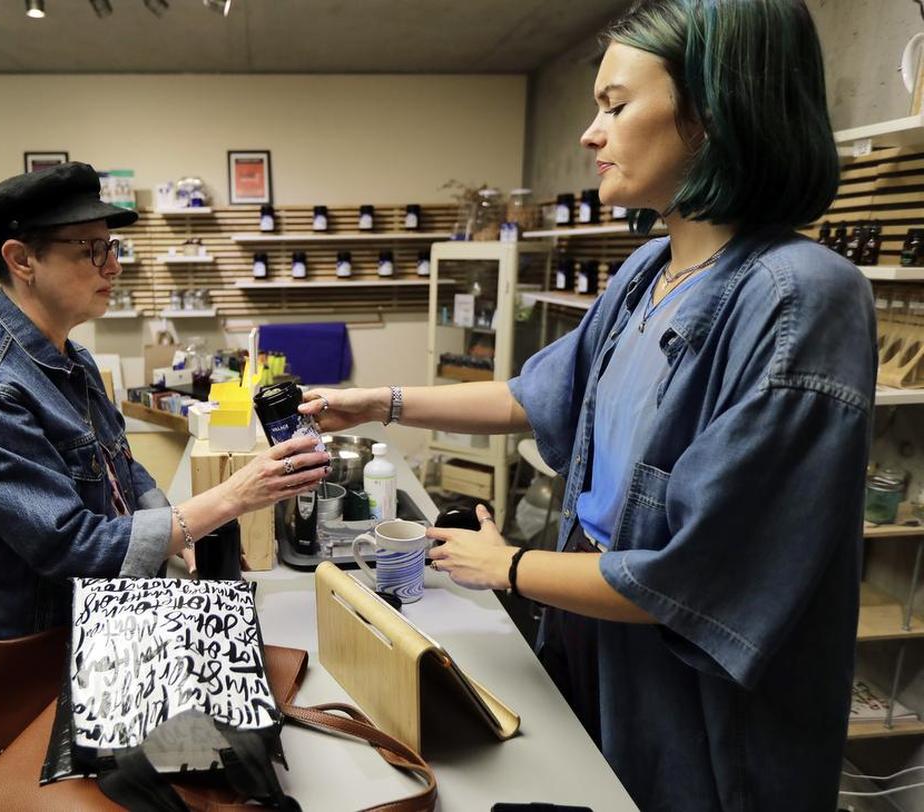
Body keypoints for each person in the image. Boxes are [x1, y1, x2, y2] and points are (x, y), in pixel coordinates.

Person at [300, 1, 874, 808]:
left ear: (713, 112)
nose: (589, 134)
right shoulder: (648, 271)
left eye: (615, 105)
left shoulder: (799, 299)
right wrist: (377, 401)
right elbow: (536, 395)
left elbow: (707, 576)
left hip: (696, 695)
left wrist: (512, 568)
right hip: (595, 639)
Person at [0, 163, 329, 641]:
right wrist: (231, 497)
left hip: (110, 621)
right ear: (22, 260)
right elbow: (70, 545)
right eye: (91, 250)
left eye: (110, 247)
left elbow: (121, 469)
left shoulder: (72, 357)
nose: (114, 266)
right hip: (36, 654)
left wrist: (181, 534)